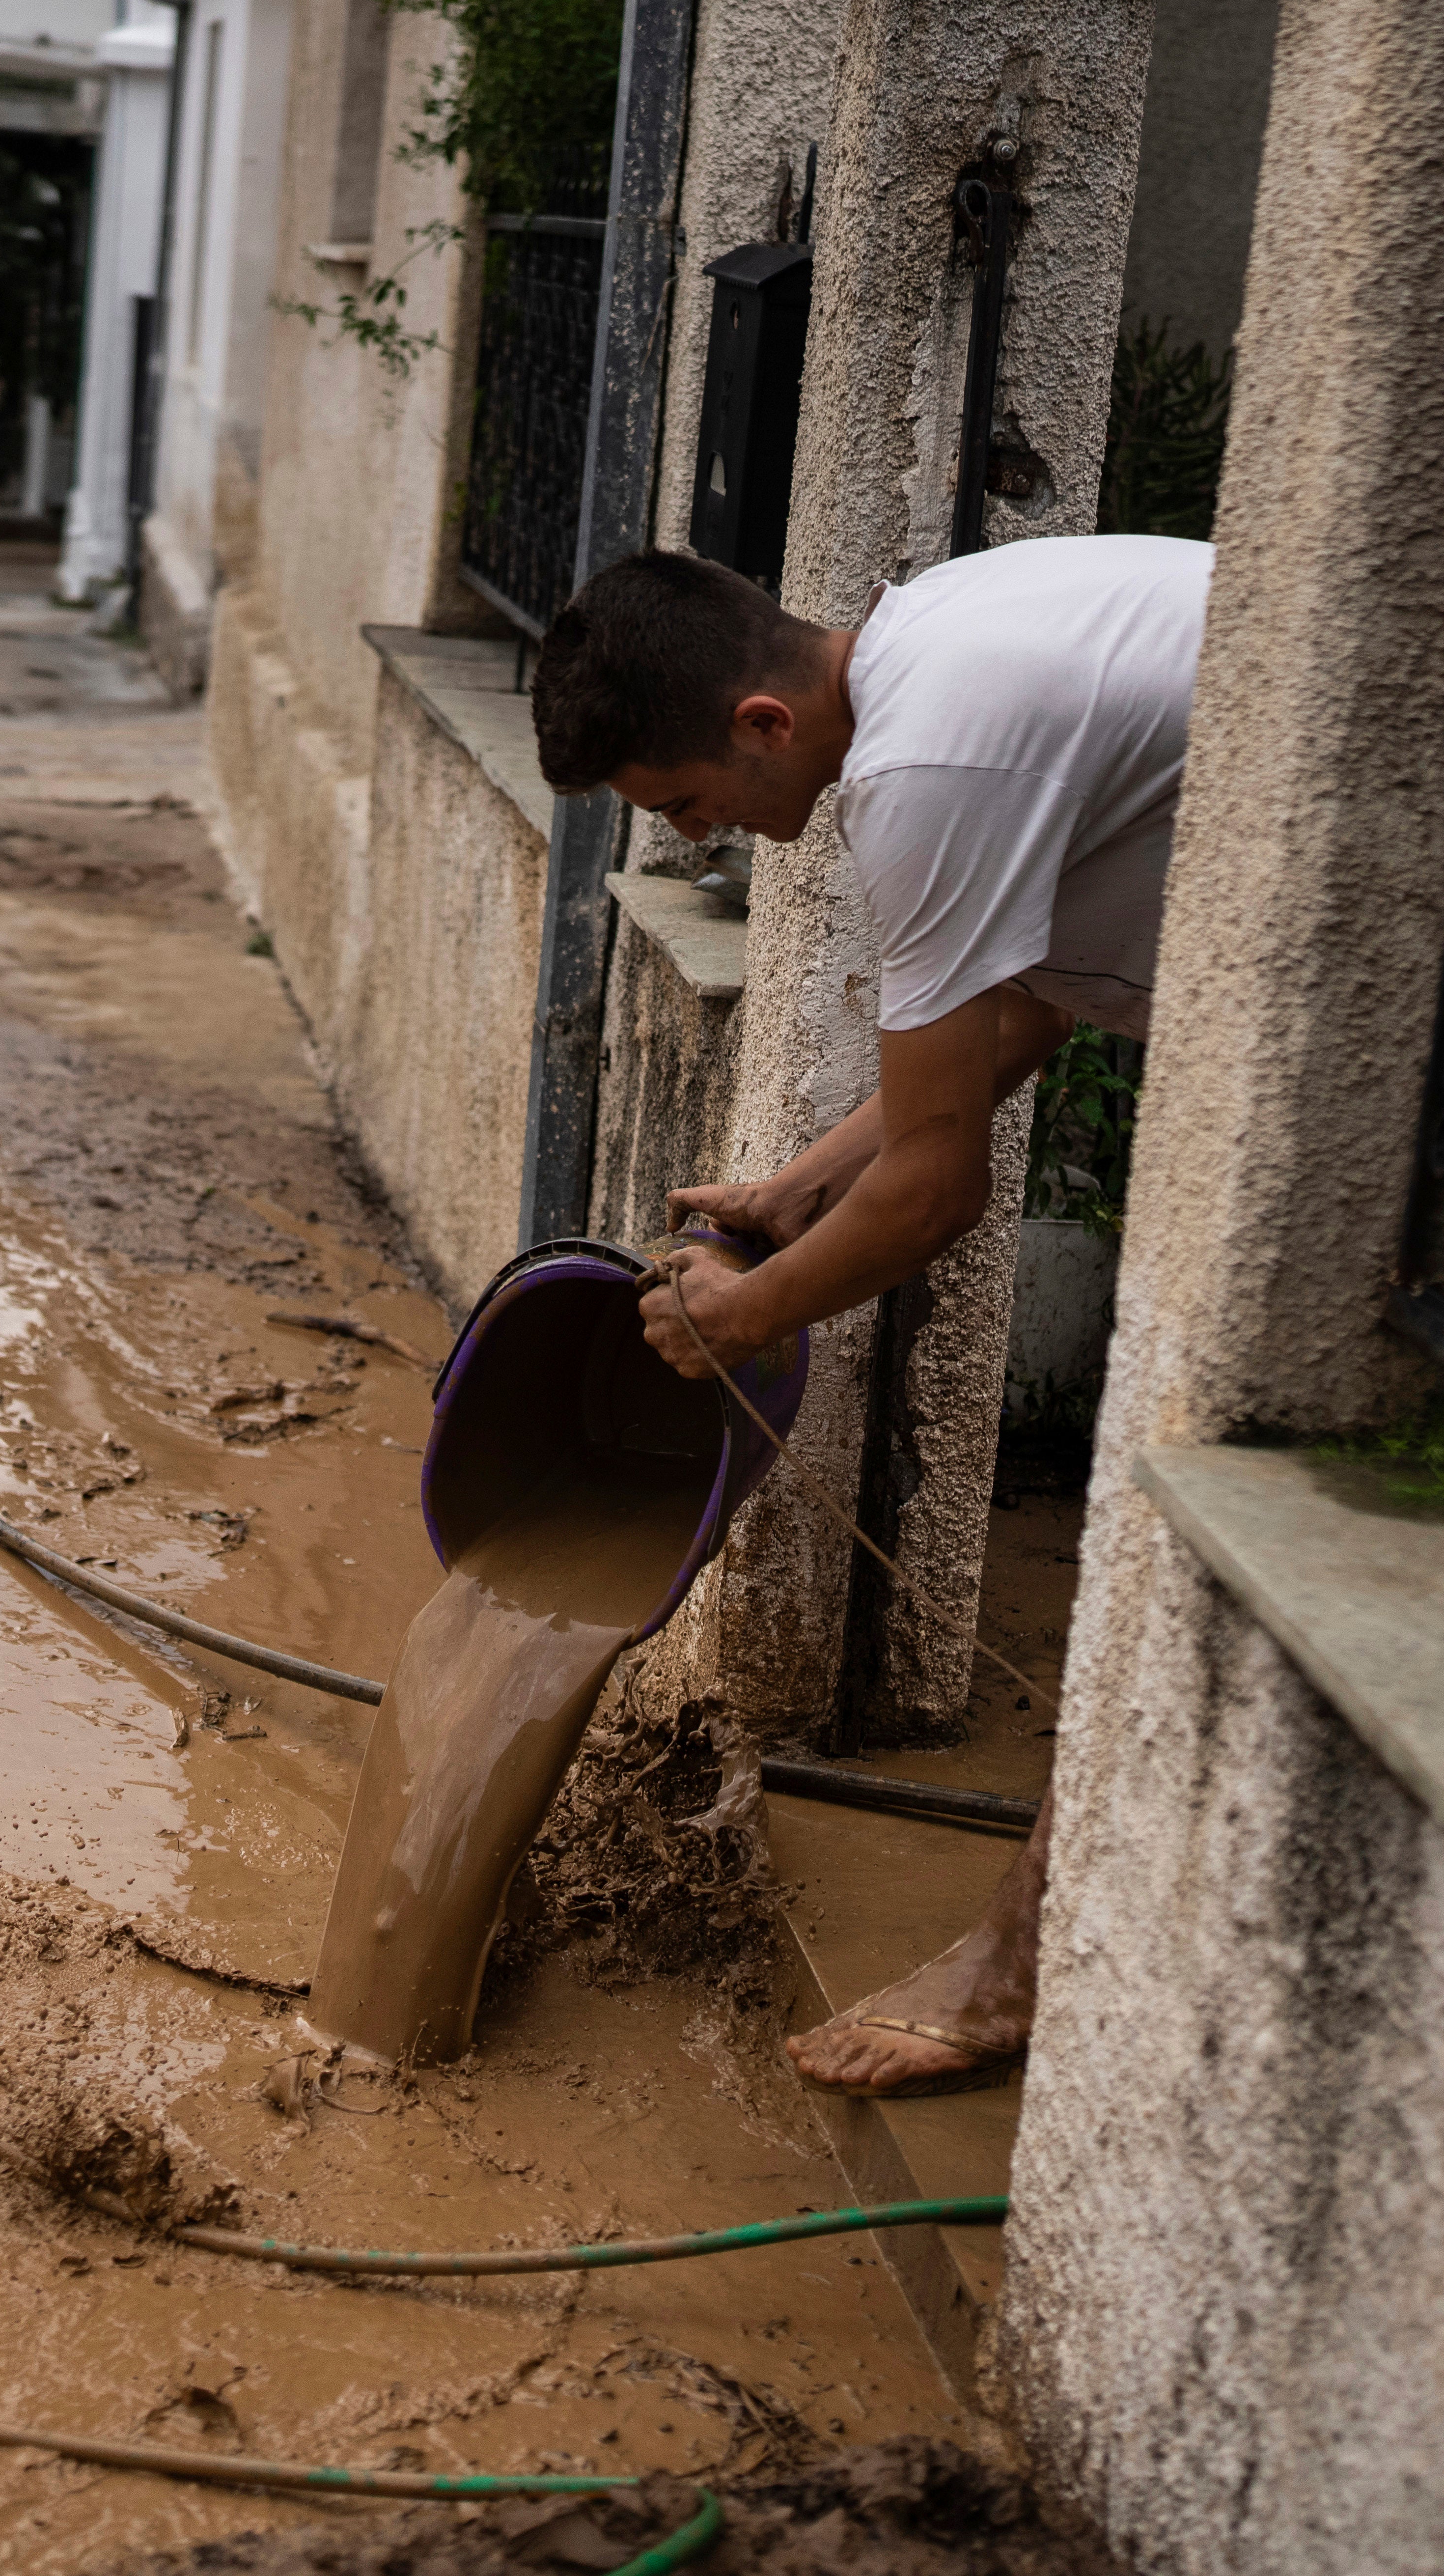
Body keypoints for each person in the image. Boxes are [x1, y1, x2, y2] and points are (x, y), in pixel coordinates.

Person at [525, 532, 1208, 2099]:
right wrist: (796, 1190)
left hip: (1436, 982)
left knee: (1165, 1503)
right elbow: (1027, 994)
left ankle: (1012, 1968)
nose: (718, 839)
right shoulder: (941, 640)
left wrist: (740, 1319)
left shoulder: (925, 763)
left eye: (689, 805)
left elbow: (942, 1191)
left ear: (762, 725)